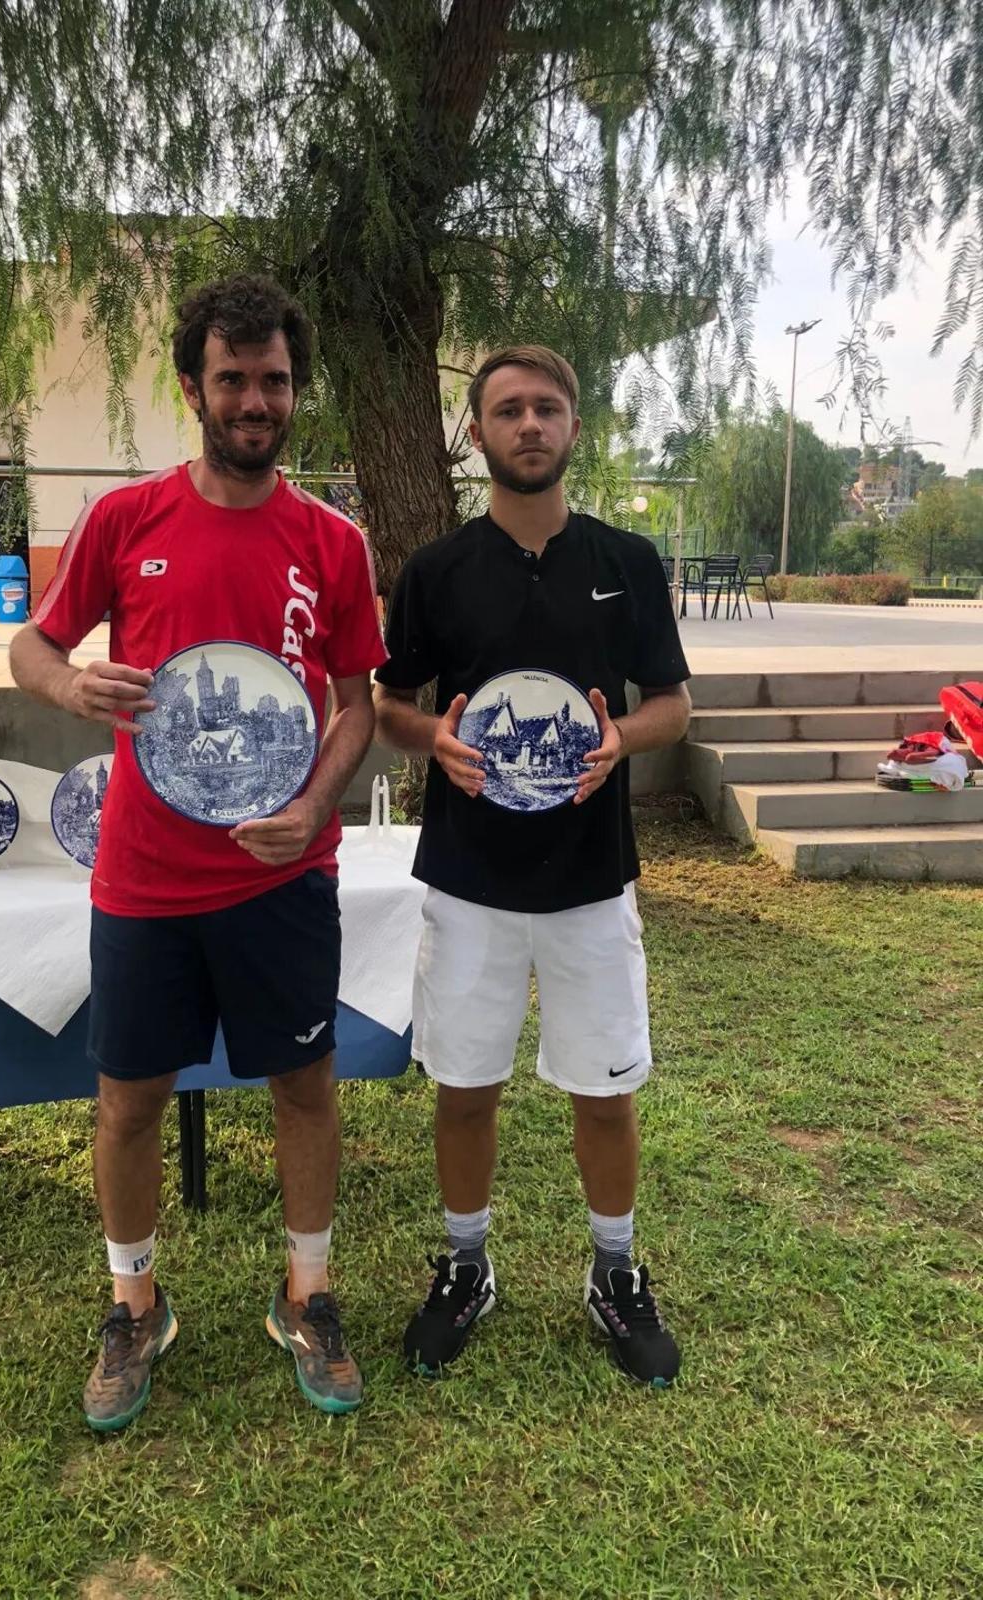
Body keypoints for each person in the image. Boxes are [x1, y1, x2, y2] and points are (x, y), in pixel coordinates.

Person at [10, 275, 388, 1427]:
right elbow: (30, 645)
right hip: (145, 879)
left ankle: (307, 1294)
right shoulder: (126, 520)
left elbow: (359, 704)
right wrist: (71, 681)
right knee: (127, 1101)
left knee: (304, 1087)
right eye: (233, 378)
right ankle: (134, 1305)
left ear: (293, 389)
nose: (255, 399)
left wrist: (320, 804)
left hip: (283, 877)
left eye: (274, 379)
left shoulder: (334, 543)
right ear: (193, 387)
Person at [373, 345, 691, 1388]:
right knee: (466, 1086)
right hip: (469, 880)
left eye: (547, 407)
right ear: (478, 433)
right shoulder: (436, 571)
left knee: (606, 1089)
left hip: (592, 879)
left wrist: (620, 742)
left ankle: (614, 1271)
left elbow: (671, 706)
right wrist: (435, 741)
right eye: (507, 409)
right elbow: (386, 704)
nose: (528, 424)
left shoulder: (628, 560)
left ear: (575, 427)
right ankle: (466, 1266)